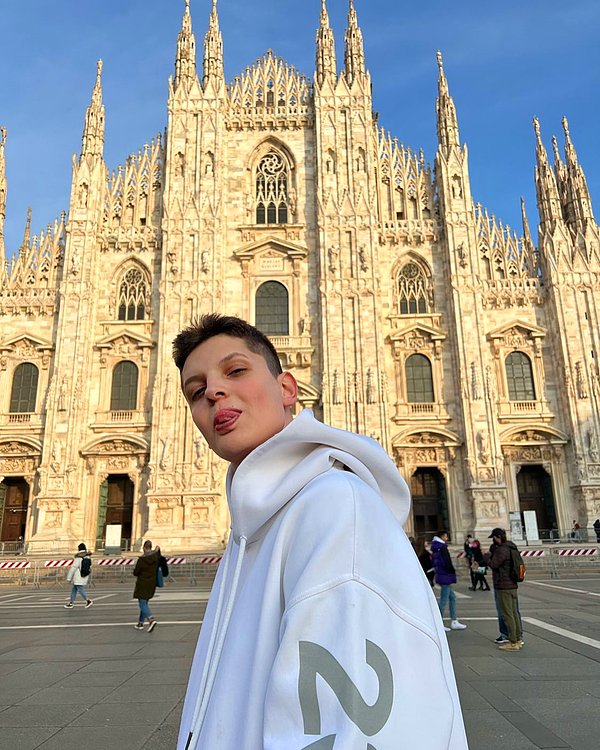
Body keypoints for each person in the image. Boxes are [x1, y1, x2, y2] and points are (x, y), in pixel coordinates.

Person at [173, 315, 468, 750]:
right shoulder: (255, 525)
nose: (214, 391)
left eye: (235, 371)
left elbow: (352, 726)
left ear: (288, 389)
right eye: (196, 392)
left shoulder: (333, 508)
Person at [484, 528, 523, 652]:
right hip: (512, 584)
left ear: (498, 537)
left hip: (503, 586)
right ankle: (517, 639)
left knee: (507, 614)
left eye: (494, 538)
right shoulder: (512, 548)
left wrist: (487, 557)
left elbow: (494, 564)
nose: (493, 540)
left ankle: (512, 642)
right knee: (514, 613)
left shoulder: (502, 550)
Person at [431, 532, 467, 632]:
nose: (447, 538)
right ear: (442, 537)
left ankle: (454, 620)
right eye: (446, 536)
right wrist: (452, 571)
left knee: (452, 598)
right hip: (445, 575)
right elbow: (446, 562)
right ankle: (439, 623)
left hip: (442, 574)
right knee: (443, 600)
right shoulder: (442, 547)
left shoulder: (436, 547)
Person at [132, 540, 160, 632]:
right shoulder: (155, 557)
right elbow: (158, 553)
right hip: (152, 583)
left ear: (144, 548)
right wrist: (157, 550)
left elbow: (136, 572)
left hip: (142, 583)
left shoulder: (142, 559)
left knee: (142, 603)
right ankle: (140, 623)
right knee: (144, 603)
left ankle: (151, 619)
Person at [64, 543, 93, 609]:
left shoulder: (78, 557)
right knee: (74, 589)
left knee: (80, 589)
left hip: (78, 577)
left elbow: (73, 568)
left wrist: (69, 578)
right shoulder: (88, 556)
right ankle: (71, 603)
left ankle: (88, 601)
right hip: (85, 575)